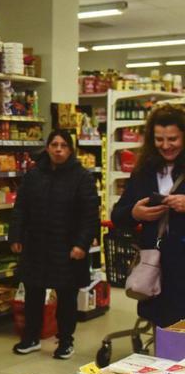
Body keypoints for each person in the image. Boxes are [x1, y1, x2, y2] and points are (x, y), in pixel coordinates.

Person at [10, 129, 99, 359]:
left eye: (63, 145)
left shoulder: (82, 177)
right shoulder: (34, 175)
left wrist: (82, 244)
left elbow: (90, 215)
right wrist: (16, 236)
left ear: (70, 149)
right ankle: (31, 338)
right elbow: (20, 209)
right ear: (48, 147)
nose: (58, 149)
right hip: (36, 245)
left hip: (67, 248)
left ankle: (66, 341)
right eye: (54, 145)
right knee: (33, 294)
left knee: (66, 298)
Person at [111, 104, 185, 328]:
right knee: (162, 327)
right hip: (156, 265)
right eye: (159, 139)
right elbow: (118, 215)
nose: (166, 146)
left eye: (172, 139)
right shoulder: (144, 171)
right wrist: (135, 213)